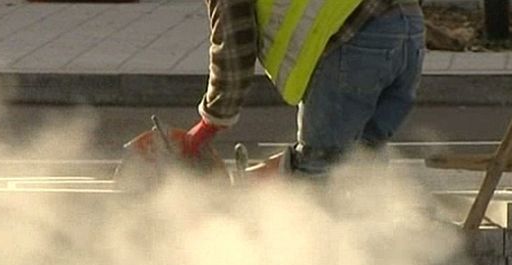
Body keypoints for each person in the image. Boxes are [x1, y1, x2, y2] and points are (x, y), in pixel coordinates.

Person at [182, 0, 425, 175]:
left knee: (319, 169)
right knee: (362, 160)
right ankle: (385, 240)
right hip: (410, 27)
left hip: (355, 38)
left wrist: (211, 122)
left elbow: (235, 46)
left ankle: (327, 245)